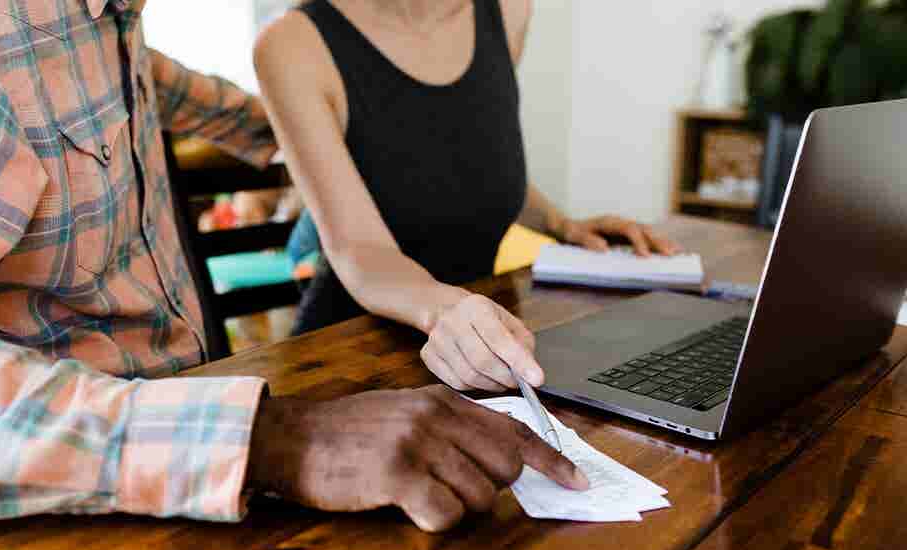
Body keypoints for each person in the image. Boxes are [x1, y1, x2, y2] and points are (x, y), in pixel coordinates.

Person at [0, 0, 586, 533]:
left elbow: (247, 114)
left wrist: (329, 130)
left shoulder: (105, 23)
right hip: (47, 508)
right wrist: (266, 440)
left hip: (207, 456)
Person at [255, 0, 682, 394]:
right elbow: (360, 250)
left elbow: (463, 167)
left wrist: (562, 224)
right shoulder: (291, 46)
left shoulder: (510, 10)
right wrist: (446, 311)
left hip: (481, 353)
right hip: (350, 364)